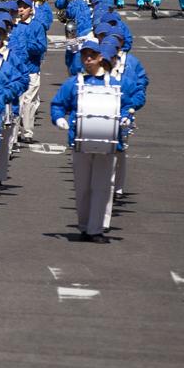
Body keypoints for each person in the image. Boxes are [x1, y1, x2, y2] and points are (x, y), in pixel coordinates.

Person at [50, 40, 132, 244]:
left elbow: (126, 105)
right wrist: (59, 118)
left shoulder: (114, 84)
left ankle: (96, 229)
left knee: (102, 187)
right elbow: (58, 104)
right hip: (80, 141)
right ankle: (85, 226)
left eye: (91, 55)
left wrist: (125, 118)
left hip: (108, 142)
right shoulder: (74, 83)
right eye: (84, 55)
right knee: (82, 187)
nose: (88, 59)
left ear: (100, 57)